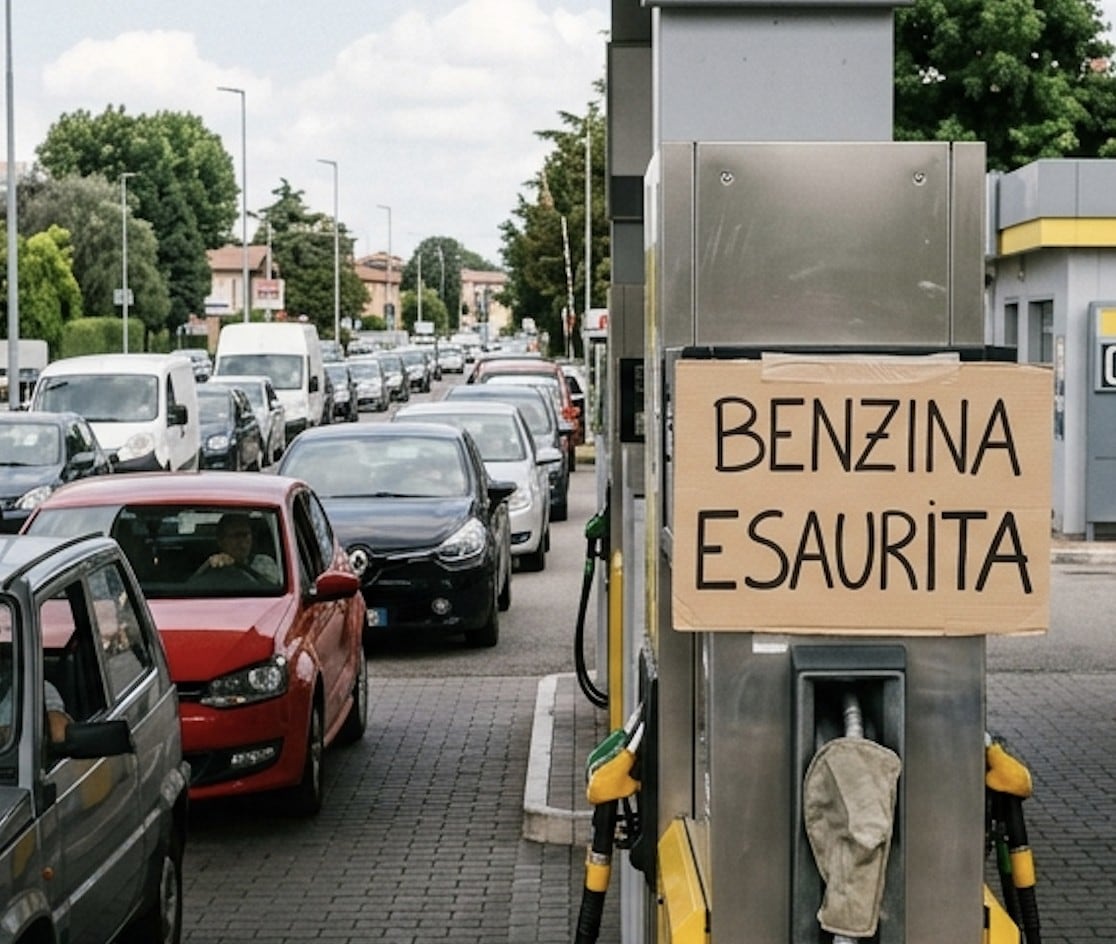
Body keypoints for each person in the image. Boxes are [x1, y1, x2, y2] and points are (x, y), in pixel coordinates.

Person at [193, 513, 280, 584]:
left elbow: (273, 592)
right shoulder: (212, 564)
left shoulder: (264, 562)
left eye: (245, 535)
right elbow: (192, 587)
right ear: (221, 541)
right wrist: (208, 566)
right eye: (236, 536)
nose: (241, 542)